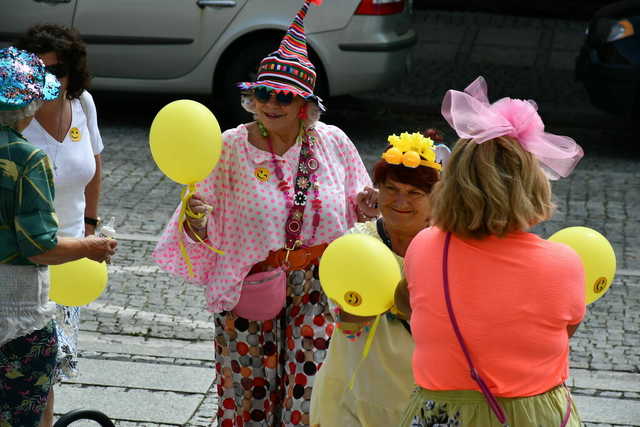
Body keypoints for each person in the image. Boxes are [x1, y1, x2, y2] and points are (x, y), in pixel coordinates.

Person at [153, 1, 376, 425]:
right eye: (263, 93)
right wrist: (197, 219)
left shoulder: (332, 142)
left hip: (317, 287)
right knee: (249, 390)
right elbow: (196, 223)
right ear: (251, 97)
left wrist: (364, 205)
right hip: (251, 284)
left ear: (304, 105)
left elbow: (357, 207)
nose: (272, 103)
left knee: (310, 392)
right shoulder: (229, 147)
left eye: (284, 97)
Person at [398, 76, 586, 426]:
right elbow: (565, 329)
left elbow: (409, 305)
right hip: (532, 415)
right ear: (532, 184)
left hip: (442, 414)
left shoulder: (425, 246)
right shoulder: (563, 263)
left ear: (451, 180)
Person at [0, 46, 116, 427]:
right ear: (29, 106)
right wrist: (91, 247)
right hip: (15, 315)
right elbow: (39, 247)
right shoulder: (26, 159)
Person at [309, 130, 449, 427]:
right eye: (391, 188)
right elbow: (346, 323)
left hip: (417, 394)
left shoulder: (448, 252)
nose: (400, 201)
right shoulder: (359, 242)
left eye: (414, 193)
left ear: (435, 199)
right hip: (353, 389)